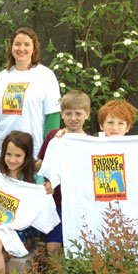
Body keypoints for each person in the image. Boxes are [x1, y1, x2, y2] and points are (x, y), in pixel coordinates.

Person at [38, 99, 138, 257]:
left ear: (128, 127)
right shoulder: (85, 147)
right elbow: (58, 166)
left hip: (129, 222)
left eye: (120, 123)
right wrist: (62, 140)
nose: (115, 127)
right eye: (110, 122)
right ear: (101, 125)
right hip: (94, 223)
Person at [0, 27, 61, 167]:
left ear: (34, 48)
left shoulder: (46, 76)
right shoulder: (2, 77)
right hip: (1, 153)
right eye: (17, 44)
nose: (21, 48)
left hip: (32, 154)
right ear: (11, 48)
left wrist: (45, 155)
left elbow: (52, 118)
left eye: (27, 44)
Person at [0, 131, 58, 272]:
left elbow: (44, 208)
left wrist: (46, 191)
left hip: (22, 234)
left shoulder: (36, 181)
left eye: (18, 155)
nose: (12, 159)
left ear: (26, 157)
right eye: (8, 154)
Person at [36, 90, 91, 256]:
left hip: (80, 205)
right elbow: (41, 165)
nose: (73, 118)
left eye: (78, 113)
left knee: (79, 248)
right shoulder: (54, 136)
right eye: (68, 113)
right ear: (61, 114)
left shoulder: (91, 142)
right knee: (52, 248)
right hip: (56, 202)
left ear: (87, 115)